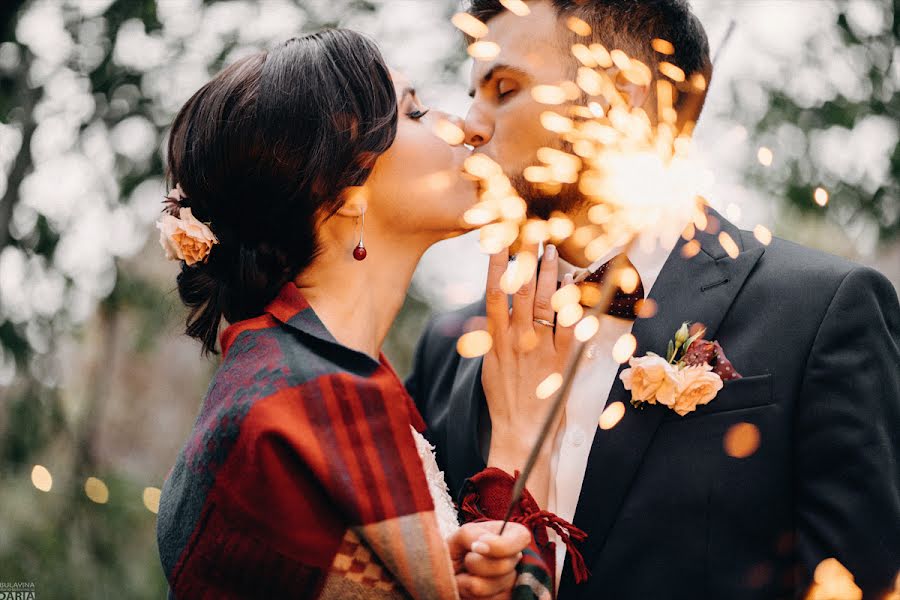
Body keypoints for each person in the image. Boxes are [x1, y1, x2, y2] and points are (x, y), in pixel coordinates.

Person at [406, 1, 900, 599]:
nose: (468, 124)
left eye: (504, 88)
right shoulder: (448, 347)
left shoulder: (820, 311)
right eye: (473, 94)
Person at [155, 29, 572, 600]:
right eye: (416, 112)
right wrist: (522, 443)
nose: (471, 127)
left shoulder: (329, 386)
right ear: (344, 187)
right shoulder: (301, 406)